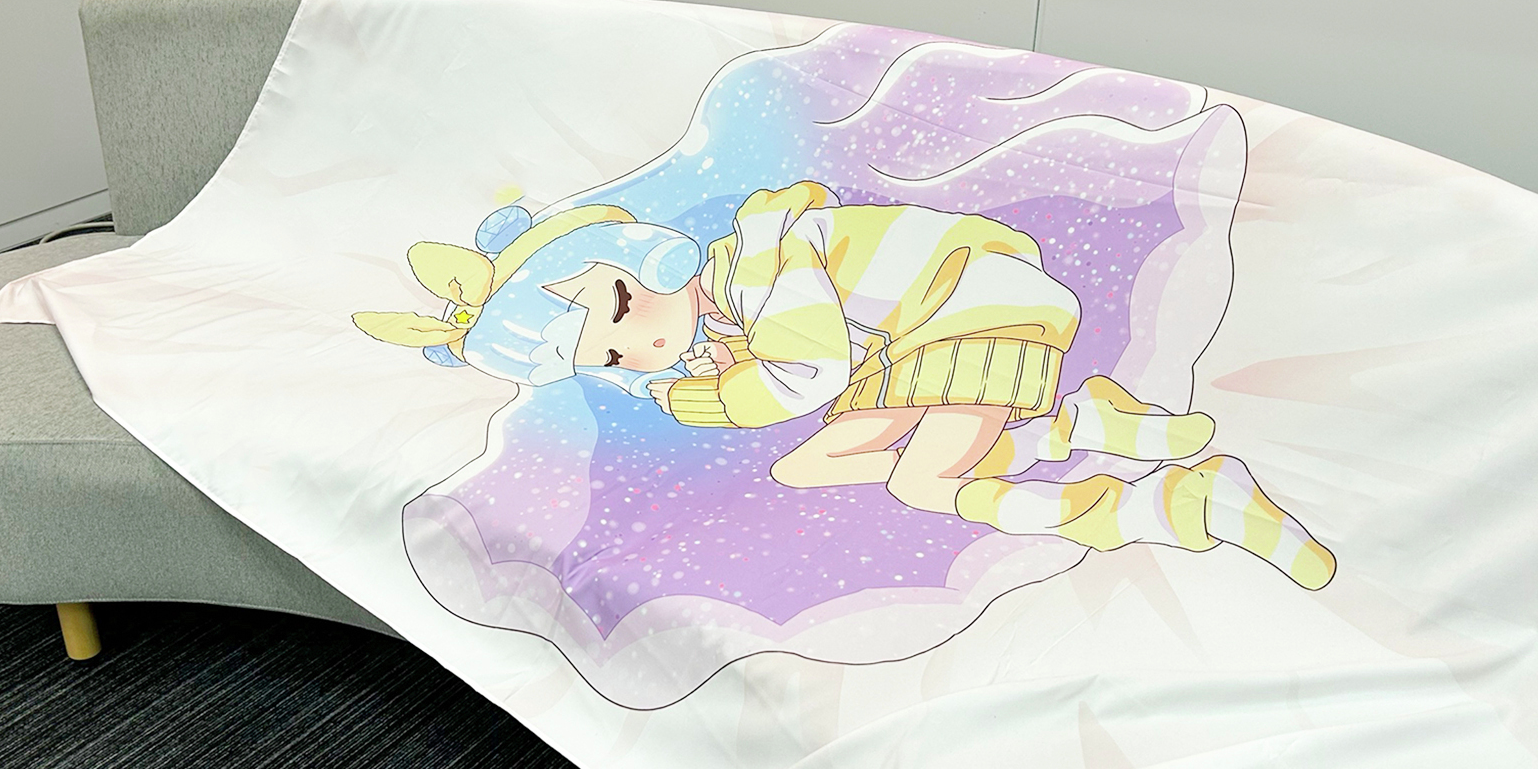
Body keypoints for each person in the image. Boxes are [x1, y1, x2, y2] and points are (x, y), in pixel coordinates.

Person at [353, 181, 1334, 589]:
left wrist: (711, 397)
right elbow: (806, 379)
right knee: (809, 467)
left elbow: (809, 371)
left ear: (647, 260)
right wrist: (717, 375)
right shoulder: (730, 300)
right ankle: (1089, 423)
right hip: (927, 338)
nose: (634, 351)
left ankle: (1176, 503)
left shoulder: (762, 258)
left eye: (619, 312)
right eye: (607, 360)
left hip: (974, 310)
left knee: (922, 481)